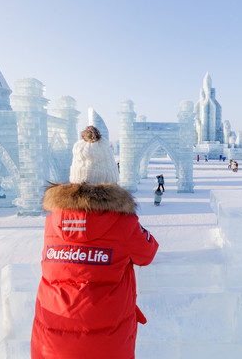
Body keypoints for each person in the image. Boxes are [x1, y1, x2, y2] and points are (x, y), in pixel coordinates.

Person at [31, 126, 159, 359]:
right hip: (108, 344)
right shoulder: (122, 223)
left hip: (50, 342)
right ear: (110, 179)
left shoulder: (52, 222)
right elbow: (147, 253)